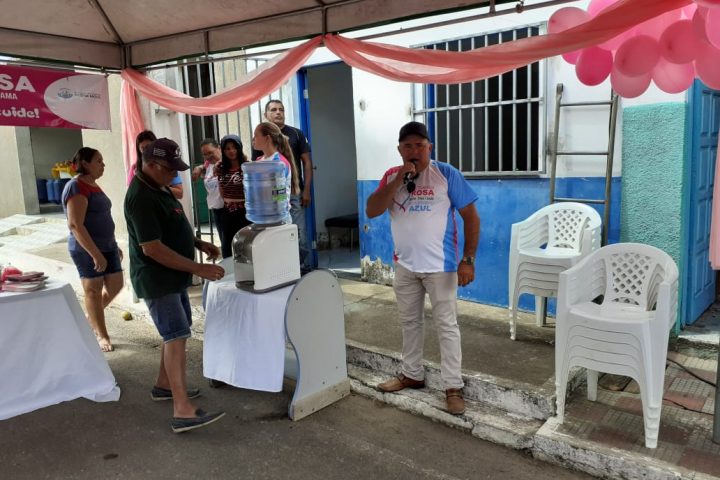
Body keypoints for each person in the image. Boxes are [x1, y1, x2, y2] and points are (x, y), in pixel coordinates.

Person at [366, 121, 480, 416]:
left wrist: (467, 259)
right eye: (408, 146)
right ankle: (412, 374)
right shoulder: (392, 176)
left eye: (420, 145)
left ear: (430, 147)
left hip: (441, 267)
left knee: (447, 326)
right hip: (405, 265)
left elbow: (471, 217)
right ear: (400, 149)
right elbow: (372, 210)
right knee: (409, 323)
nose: (414, 151)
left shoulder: (446, 174)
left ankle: (452, 387)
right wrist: (398, 180)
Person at [124, 137, 226, 433]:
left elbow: (169, 225)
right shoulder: (141, 197)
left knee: (175, 333)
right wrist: (198, 268)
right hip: (158, 279)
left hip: (173, 276)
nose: (174, 174)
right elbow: (152, 248)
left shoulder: (158, 186)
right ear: (151, 164)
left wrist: (197, 242)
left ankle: (164, 385)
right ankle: (182, 410)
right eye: (169, 169)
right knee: (177, 336)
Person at [62, 147, 124, 353]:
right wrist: (95, 254)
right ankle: (102, 334)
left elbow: (102, 218)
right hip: (86, 249)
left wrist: (113, 245)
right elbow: (75, 225)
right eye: (98, 161)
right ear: (85, 163)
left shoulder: (93, 185)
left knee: (116, 284)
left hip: (108, 246)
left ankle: (90, 318)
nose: (103, 165)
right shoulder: (76, 186)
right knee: (93, 291)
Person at [252, 100, 312, 270]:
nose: (278, 112)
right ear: (266, 114)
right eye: (273, 110)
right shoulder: (261, 138)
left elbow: (307, 163)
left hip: (292, 193)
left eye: (281, 109)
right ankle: (286, 268)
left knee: (297, 232)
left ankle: (302, 268)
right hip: (271, 202)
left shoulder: (296, 134)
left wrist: (306, 190)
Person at [252, 121, 300, 214]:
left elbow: (279, 197)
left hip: (277, 215)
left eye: (256, 135)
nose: (253, 139)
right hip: (263, 214)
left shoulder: (279, 163)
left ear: (267, 138)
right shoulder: (259, 160)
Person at [215, 134, 250, 258]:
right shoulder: (220, 167)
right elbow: (222, 191)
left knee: (245, 246)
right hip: (228, 212)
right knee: (228, 246)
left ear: (239, 148)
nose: (231, 151)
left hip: (245, 212)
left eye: (234, 147)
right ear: (223, 151)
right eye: (227, 148)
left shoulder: (247, 166)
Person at [191, 138, 226, 252]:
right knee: (224, 244)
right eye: (205, 154)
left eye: (210, 152)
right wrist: (199, 167)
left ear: (219, 148)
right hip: (216, 210)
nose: (208, 156)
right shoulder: (209, 164)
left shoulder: (227, 163)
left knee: (228, 246)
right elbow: (204, 165)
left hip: (228, 210)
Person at [136, 130, 183, 200]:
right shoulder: (135, 170)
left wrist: (159, 187)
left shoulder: (167, 164)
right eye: (143, 149)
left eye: (148, 147)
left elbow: (180, 193)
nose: (146, 152)